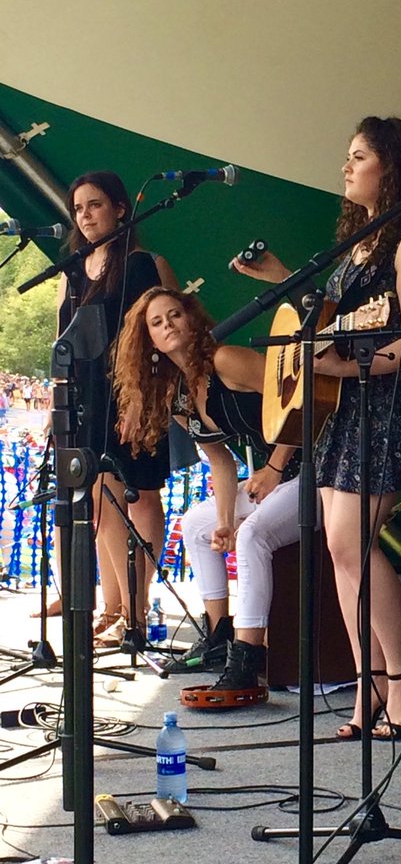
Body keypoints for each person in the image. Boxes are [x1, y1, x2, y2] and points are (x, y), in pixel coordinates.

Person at [233, 116, 401, 739]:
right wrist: (286, 288)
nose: (347, 166)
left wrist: (342, 361)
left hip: (387, 406)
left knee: (352, 542)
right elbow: (334, 320)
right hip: (344, 410)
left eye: (359, 156)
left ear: (393, 167)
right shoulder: (359, 242)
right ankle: (371, 683)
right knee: (337, 548)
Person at [113, 286, 301, 694]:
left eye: (175, 314)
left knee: (253, 535)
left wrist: (273, 466)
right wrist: (222, 522)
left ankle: (247, 660)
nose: (169, 325)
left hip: (312, 467)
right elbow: (220, 460)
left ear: (192, 318)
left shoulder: (225, 360)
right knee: (196, 524)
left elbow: (299, 400)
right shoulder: (177, 393)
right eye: (157, 323)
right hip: (274, 478)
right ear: (150, 343)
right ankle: (219, 634)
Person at [56, 171, 177, 646]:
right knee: (99, 497)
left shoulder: (141, 263)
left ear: (121, 209)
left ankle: (137, 610)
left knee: (139, 494)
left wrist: (139, 402)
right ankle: (113, 607)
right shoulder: (72, 271)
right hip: (87, 399)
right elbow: (62, 341)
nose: (86, 216)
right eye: (79, 209)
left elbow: (156, 340)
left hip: (132, 394)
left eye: (95, 205)